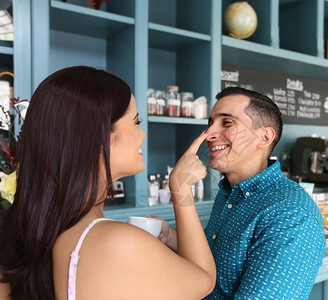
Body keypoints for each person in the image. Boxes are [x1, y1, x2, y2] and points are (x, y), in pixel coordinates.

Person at [0, 66, 216, 299]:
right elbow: (203, 279)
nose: (142, 134)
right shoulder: (113, 243)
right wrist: (181, 188)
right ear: (99, 135)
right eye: (136, 122)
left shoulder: (14, 231)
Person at [159, 87, 326, 299]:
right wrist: (171, 237)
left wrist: (181, 189)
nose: (209, 135)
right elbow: (216, 257)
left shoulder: (291, 214)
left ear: (265, 137)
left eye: (227, 123)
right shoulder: (229, 192)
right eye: (210, 124)